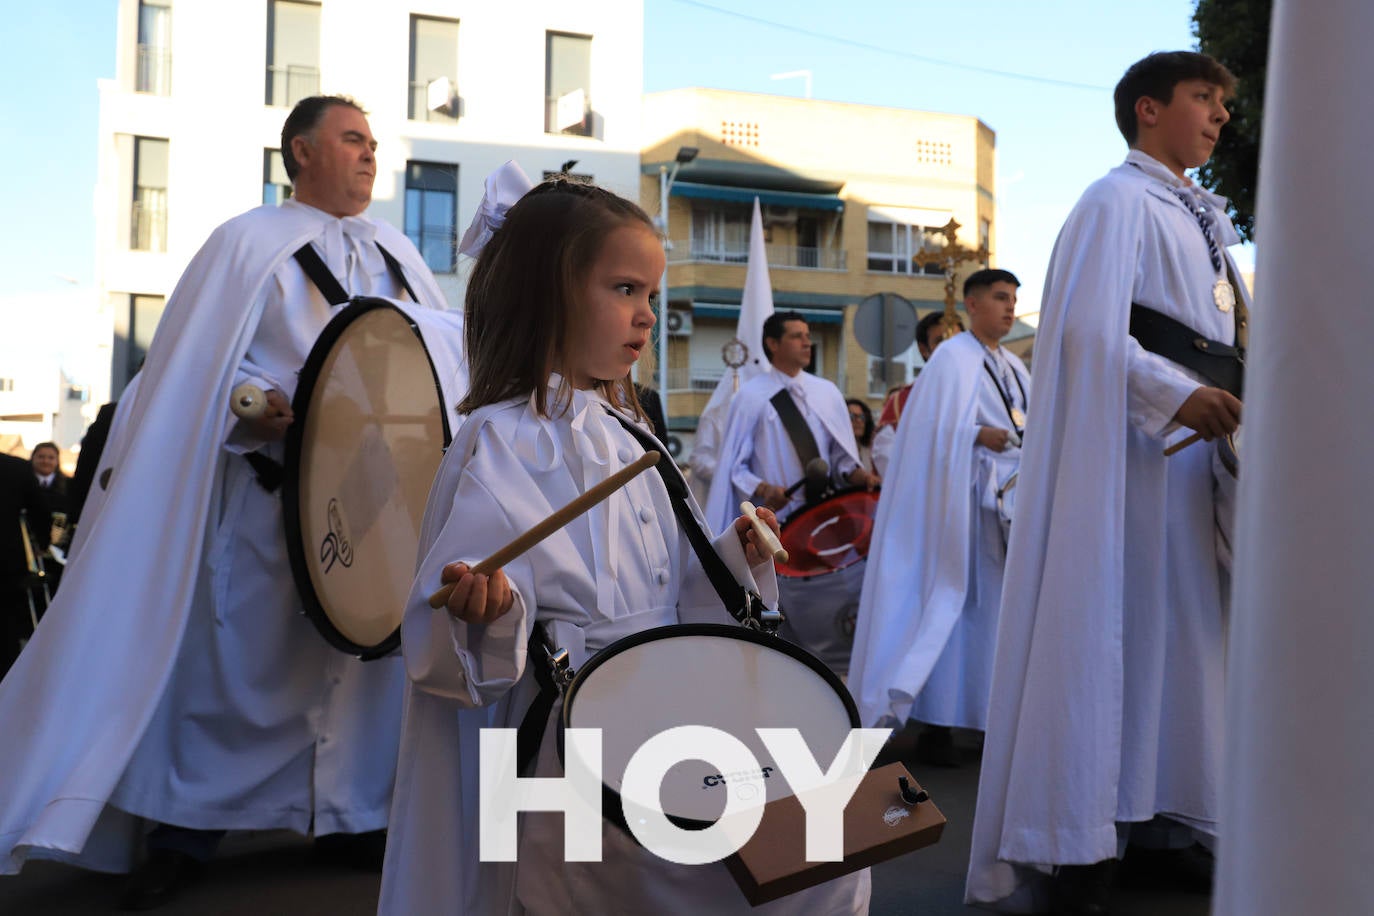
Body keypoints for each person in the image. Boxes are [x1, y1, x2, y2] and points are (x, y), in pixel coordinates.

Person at [0, 95, 453, 910]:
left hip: (373, 509)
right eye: (351, 139)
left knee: (358, 672)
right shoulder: (245, 246)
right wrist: (251, 399)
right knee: (237, 666)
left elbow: (431, 366)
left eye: (372, 142)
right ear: (300, 152)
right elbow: (191, 377)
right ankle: (186, 832)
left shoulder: (398, 254)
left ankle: (350, 815)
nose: (369, 154)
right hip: (266, 506)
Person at [377, 175, 870, 915]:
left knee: (822, 856)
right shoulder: (501, 439)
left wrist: (734, 554)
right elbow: (455, 628)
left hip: (662, 699)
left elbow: (677, 588)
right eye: (625, 289)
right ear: (549, 294)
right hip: (570, 721)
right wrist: (491, 608)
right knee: (642, 887)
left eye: (650, 294)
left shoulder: (629, 430)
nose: (645, 317)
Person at [966, 52, 1244, 916]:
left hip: (1197, 462)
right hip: (1131, 466)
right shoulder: (1114, 200)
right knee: (1113, 641)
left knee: (1188, 645)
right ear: (1149, 109)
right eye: (1206, 98)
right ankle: (1081, 842)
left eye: (1224, 104)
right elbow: (1085, 334)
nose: (1221, 116)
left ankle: (1163, 824)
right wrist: (1176, 393)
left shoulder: (1208, 223)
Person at [848, 269, 1028, 769]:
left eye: (1014, 299)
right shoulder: (952, 358)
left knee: (995, 619)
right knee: (952, 611)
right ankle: (939, 725)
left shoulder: (1014, 365)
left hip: (1004, 513)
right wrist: (974, 434)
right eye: (999, 298)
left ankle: (989, 719)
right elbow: (922, 434)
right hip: (959, 512)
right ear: (971, 304)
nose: (1010, 308)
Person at [704, 312, 876, 534]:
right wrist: (765, 489)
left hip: (823, 516)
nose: (807, 343)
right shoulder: (750, 396)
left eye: (808, 335)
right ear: (773, 343)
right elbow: (735, 467)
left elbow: (840, 458)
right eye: (797, 336)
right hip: (775, 520)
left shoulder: (827, 392)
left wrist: (860, 476)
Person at [871, 312, 962, 477]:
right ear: (924, 350)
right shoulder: (901, 402)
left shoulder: (984, 395)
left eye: (956, 340)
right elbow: (887, 462)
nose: (951, 348)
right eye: (941, 341)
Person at [0, 452, 50, 679]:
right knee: (6, 624)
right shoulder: (18, 467)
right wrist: (42, 542)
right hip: (6, 561)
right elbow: (40, 510)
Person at [846, 399, 876, 475]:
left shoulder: (871, 449)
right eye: (852, 416)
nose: (859, 420)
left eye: (862, 416)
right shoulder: (837, 450)